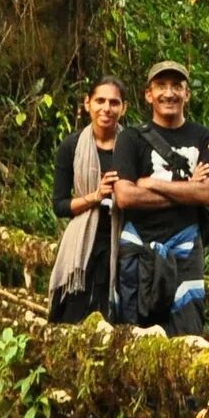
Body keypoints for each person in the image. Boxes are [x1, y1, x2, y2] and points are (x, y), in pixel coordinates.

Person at [108, 59, 209, 336]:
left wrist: (150, 183)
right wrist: (187, 190)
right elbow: (125, 196)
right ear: (148, 94)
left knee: (187, 337)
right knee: (131, 335)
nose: (169, 93)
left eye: (177, 86)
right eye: (161, 86)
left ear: (187, 94)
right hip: (137, 246)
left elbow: (207, 192)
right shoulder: (131, 139)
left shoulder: (205, 137)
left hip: (185, 245)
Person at [48, 76, 130, 325]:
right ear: (87, 104)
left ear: (123, 108)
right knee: (71, 317)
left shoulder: (133, 145)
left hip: (122, 239)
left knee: (113, 320)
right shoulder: (71, 146)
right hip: (83, 242)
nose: (106, 108)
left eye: (114, 103)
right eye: (100, 101)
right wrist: (95, 196)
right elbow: (60, 205)